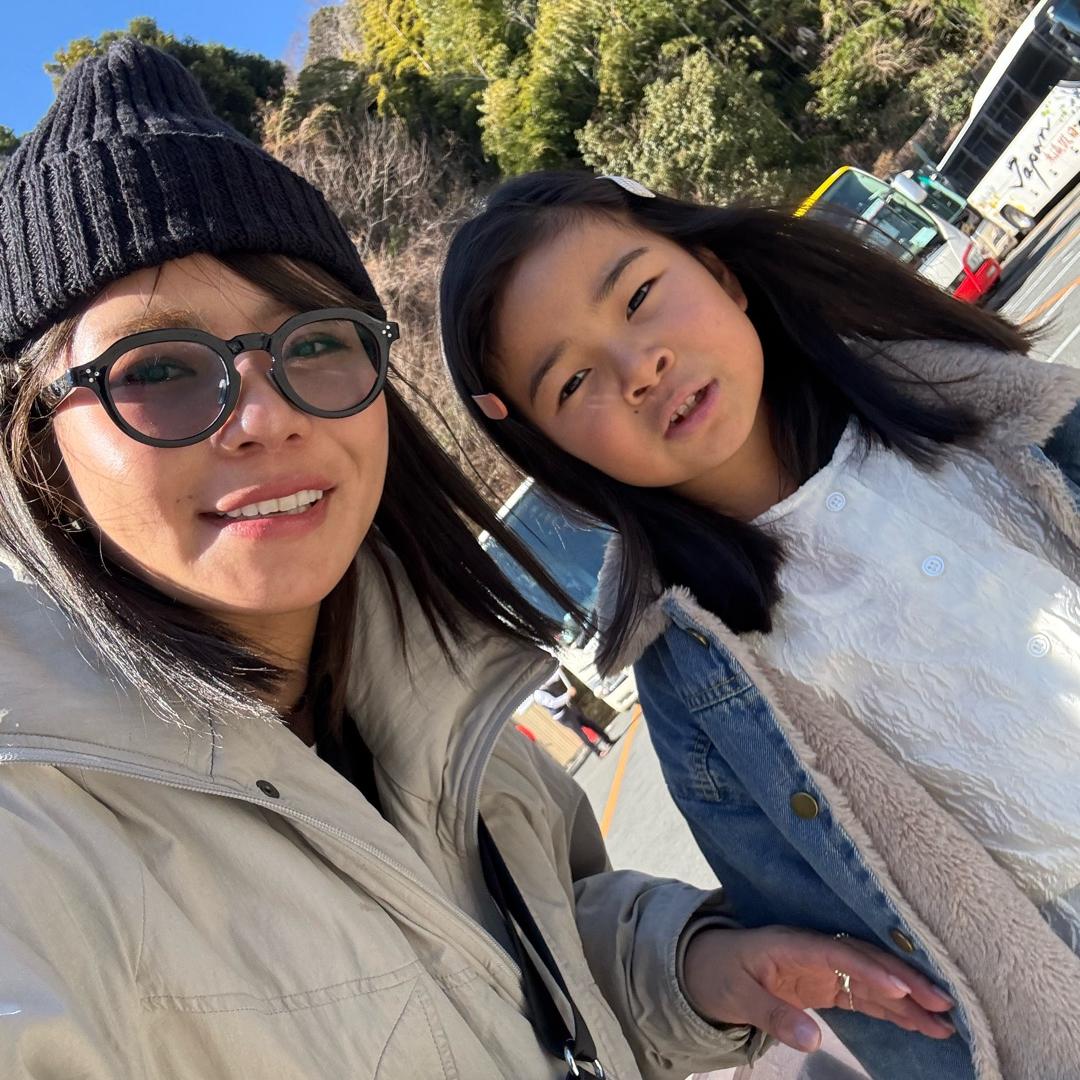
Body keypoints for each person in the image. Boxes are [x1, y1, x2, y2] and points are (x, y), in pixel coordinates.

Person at [0, 44, 956, 1080]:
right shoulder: (33, 848)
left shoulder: (431, 681)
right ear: (36, 445)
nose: (266, 416)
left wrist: (693, 969)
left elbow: (508, 970)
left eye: (312, 342)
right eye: (158, 370)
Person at [437, 169, 1080, 1079]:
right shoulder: (695, 679)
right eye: (574, 380)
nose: (639, 369)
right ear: (553, 446)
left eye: (639, 296)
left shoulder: (986, 412)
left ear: (720, 274)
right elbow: (881, 990)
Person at [534, 667, 615, 757]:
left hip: (569, 708)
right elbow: (554, 703)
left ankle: (608, 741)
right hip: (562, 715)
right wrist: (568, 694)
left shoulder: (543, 683)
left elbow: (555, 676)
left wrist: (558, 666)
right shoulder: (538, 694)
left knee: (590, 723)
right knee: (581, 733)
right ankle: (598, 752)